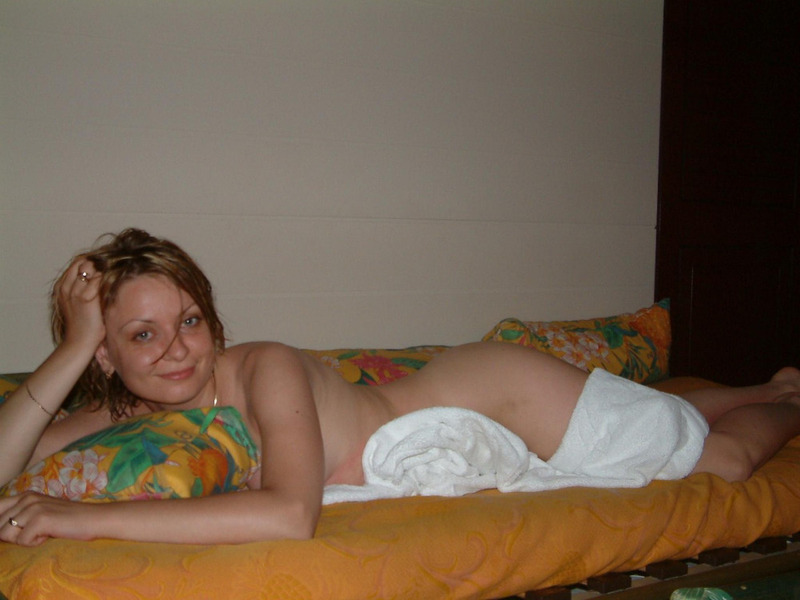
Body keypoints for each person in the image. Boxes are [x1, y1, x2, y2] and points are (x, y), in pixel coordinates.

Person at [1, 228, 799, 547]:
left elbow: (289, 516)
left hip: (492, 399)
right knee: (658, 419)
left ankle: (787, 400)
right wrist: (72, 347)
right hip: (459, 410)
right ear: (106, 355)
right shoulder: (127, 411)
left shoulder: (263, 366)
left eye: (190, 320)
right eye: (142, 335)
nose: (179, 350)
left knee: (719, 463)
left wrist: (79, 519)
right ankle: (756, 385)